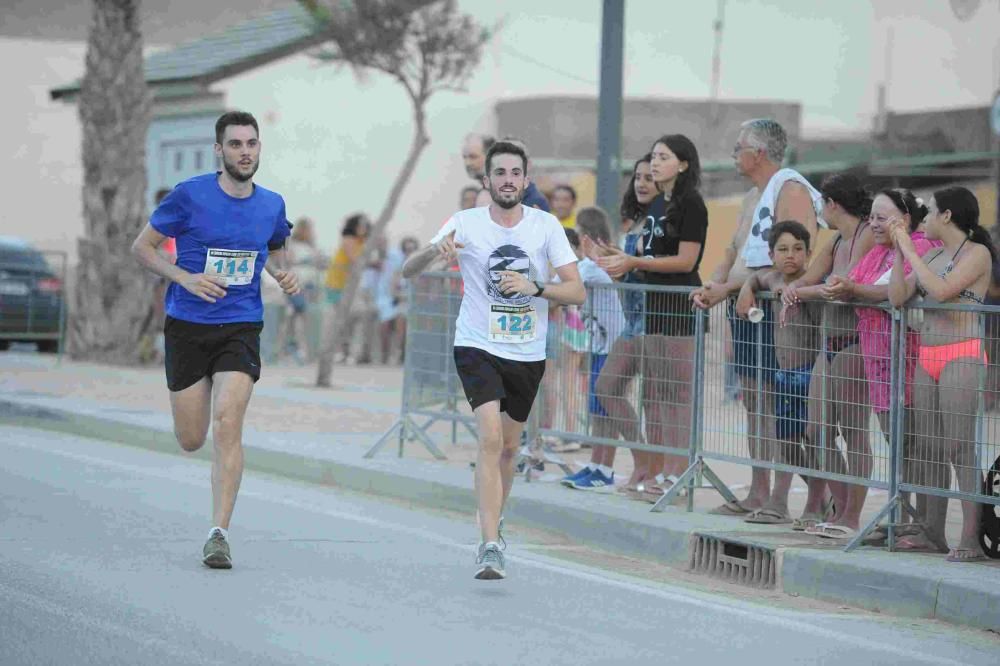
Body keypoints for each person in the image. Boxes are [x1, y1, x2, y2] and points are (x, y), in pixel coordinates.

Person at [402, 140, 584, 579]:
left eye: (514, 172)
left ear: (526, 178)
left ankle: (494, 517)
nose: (507, 180)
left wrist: (535, 288)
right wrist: (434, 252)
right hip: (477, 345)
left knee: (507, 447)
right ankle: (488, 545)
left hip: (526, 350)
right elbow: (410, 269)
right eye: (498, 172)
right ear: (487, 181)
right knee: (487, 439)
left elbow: (576, 290)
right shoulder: (465, 223)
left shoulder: (544, 226)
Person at [130, 111, 298, 569]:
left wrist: (282, 272)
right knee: (191, 438)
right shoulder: (189, 196)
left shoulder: (271, 204)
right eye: (236, 144)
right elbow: (141, 248)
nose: (245, 151)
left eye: (252, 143)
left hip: (241, 325)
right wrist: (185, 278)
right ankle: (211, 502)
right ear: (219, 151)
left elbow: (277, 246)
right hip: (187, 325)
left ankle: (218, 533)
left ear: (259, 149)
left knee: (228, 422)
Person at [690, 118, 822, 516]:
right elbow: (733, 252)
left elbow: (794, 259)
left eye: (737, 148)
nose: (733, 156)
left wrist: (733, 288)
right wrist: (714, 285)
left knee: (782, 407)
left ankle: (790, 496)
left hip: (776, 312)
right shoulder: (752, 197)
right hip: (743, 309)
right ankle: (759, 491)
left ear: (758, 153)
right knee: (756, 405)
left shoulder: (791, 190)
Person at [812, 188, 940, 540]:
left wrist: (849, 289)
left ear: (906, 218)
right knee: (895, 442)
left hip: (906, 357)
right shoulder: (877, 252)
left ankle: (921, 523)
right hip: (877, 359)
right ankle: (902, 517)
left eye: (883, 218)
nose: (875, 224)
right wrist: (844, 286)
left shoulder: (920, 247)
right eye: (872, 217)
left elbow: (891, 293)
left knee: (914, 444)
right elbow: (852, 283)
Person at [597, 134, 708, 503]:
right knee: (659, 396)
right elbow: (648, 259)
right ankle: (659, 470)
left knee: (677, 395)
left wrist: (632, 262)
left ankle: (678, 472)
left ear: (684, 164)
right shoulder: (661, 204)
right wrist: (621, 259)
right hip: (655, 309)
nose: (654, 164)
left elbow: (686, 262)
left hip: (678, 309)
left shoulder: (690, 204)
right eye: (654, 156)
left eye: (663, 157)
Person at [889, 186, 994, 562]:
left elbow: (943, 291)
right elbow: (898, 297)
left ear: (947, 216)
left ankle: (970, 537)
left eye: (930, 212)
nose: (926, 219)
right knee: (931, 449)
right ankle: (933, 532)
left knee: (960, 449)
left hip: (961, 354)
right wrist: (901, 254)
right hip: (927, 355)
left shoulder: (977, 253)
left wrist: (912, 252)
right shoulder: (930, 255)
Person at [780, 173, 875, 531]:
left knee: (853, 432)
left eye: (822, 203)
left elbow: (839, 287)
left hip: (854, 344)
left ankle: (852, 514)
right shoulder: (836, 241)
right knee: (817, 429)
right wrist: (796, 288)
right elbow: (809, 278)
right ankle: (840, 503)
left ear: (832, 204)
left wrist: (799, 293)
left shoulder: (865, 236)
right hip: (828, 346)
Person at [736, 220, 826, 525]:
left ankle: (813, 505)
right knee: (786, 441)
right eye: (783, 249)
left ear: (809, 253)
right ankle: (796, 498)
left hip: (810, 376)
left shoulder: (809, 289)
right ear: (772, 254)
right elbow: (759, 277)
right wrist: (749, 287)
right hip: (784, 377)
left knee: (815, 441)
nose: (791, 256)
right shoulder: (775, 277)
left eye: (798, 249)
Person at [593, 154, 658, 494]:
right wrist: (614, 262)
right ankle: (643, 463)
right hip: (632, 321)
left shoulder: (659, 221)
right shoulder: (635, 222)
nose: (642, 183)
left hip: (656, 320)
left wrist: (626, 263)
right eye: (638, 177)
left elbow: (655, 268)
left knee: (653, 399)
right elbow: (630, 275)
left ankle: (652, 470)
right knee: (607, 387)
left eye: (650, 176)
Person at [559, 206, 626, 490]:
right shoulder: (588, 267)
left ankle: (605, 470)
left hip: (611, 347)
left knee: (606, 412)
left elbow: (563, 286)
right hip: (599, 346)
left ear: (586, 238)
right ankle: (596, 464)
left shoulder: (592, 268)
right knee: (597, 411)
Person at [279, 216, 323, 363]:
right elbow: (287, 261)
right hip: (296, 284)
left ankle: (303, 349)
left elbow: (318, 264)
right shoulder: (292, 245)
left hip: (310, 285)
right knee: (295, 316)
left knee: (304, 318)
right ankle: (290, 348)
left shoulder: (312, 247)